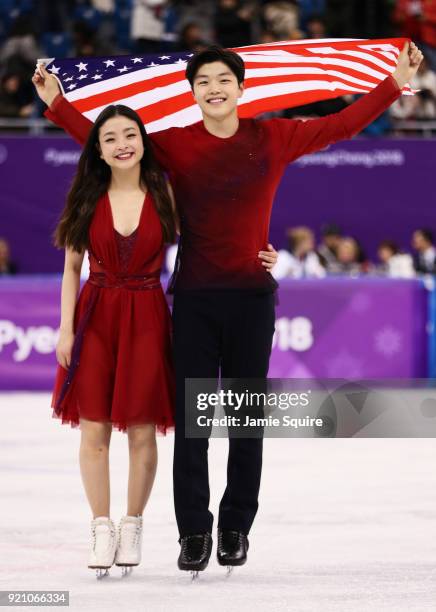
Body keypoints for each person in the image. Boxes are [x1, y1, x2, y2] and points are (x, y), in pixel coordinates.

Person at [34, 40, 422, 575]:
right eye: (203, 82)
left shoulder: (276, 135)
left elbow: (344, 125)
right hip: (193, 301)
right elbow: (111, 146)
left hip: (252, 302)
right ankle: (193, 532)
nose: (213, 89)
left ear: (242, 87)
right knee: (193, 427)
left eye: (222, 80)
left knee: (245, 422)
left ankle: (235, 527)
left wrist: (392, 84)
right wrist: (57, 106)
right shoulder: (175, 144)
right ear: (193, 94)